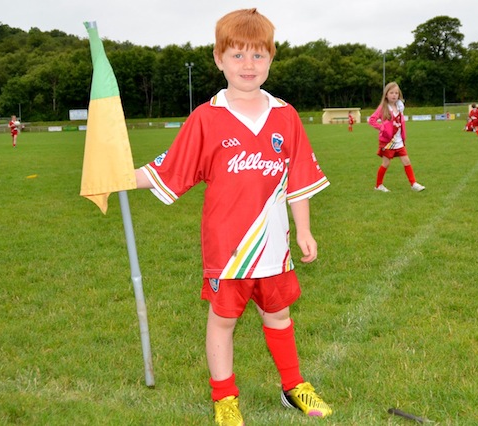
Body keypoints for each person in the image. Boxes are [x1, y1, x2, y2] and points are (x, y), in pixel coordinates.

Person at [134, 8, 332, 425]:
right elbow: (170, 169)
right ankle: (225, 398)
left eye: (258, 56)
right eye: (238, 55)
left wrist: (305, 230)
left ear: (271, 60)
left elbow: (297, 180)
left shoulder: (286, 115)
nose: (248, 65)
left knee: (278, 314)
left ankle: (293, 386)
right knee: (223, 321)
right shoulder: (206, 118)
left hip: (275, 245)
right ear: (218, 58)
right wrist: (117, 175)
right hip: (228, 249)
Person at [367, 82, 425, 192]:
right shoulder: (383, 108)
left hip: (399, 141)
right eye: (391, 93)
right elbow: (372, 120)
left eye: (396, 93)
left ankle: (413, 184)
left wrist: (403, 137)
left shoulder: (400, 107)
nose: (394, 95)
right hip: (388, 142)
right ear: (386, 95)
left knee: (406, 161)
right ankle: (378, 185)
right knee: (386, 163)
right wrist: (381, 128)